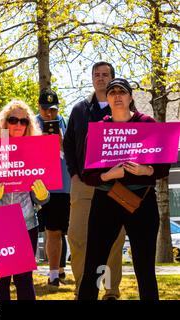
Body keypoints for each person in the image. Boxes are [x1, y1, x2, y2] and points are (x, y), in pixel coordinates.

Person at [78, 78, 171, 300]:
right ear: (107, 98)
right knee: (94, 264)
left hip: (142, 200)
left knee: (145, 267)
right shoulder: (98, 130)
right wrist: (110, 174)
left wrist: (146, 171)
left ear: (130, 97)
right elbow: (87, 175)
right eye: (112, 92)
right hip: (106, 199)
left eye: (122, 92)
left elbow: (163, 166)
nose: (117, 96)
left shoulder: (147, 124)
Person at [63, 61, 125, 299]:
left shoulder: (122, 108)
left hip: (117, 185)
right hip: (84, 183)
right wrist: (74, 173)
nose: (100, 78)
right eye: (96, 75)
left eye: (105, 75)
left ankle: (110, 291)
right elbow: (68, 144)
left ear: (112, 78)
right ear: (92, 79)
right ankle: (83, 290)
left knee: (113, 240)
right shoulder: (79, 109)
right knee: (77, 238)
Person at [0, 99, 50, 300]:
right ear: (4, 122)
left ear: (29, 125)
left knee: (24, 279)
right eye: (13, 119)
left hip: (27, 222)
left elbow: (42, 194)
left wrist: (43, 196)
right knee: (1, 279)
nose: (18, 125)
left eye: (24, 121)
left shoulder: (36, 150)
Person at [35, 89, 71, 286]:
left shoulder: (63, 122)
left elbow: (70, 151)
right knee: (36, 230)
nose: (49, 114)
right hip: (37, 184)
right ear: (39, 107)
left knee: (56, 230)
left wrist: (60, 141)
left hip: (60, 185)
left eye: (53, 110)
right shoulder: (30, 123)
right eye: (45, 110)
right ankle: (21, 273)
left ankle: (55, 274)